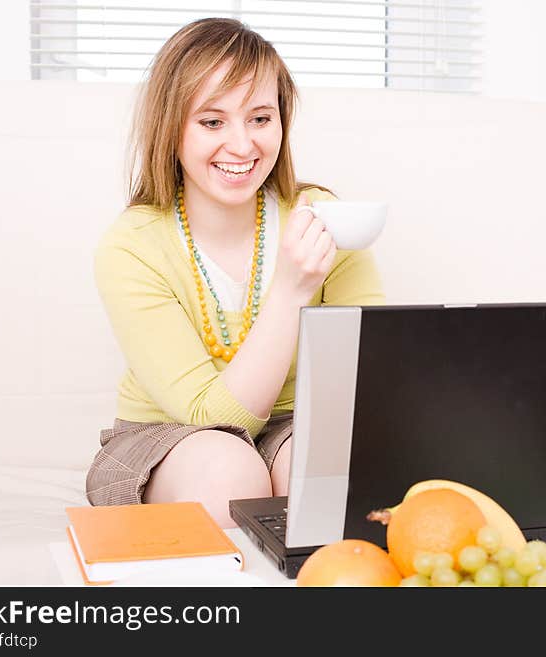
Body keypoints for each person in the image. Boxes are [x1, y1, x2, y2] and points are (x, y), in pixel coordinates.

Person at [86, 18, 385, 528]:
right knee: (230, 477)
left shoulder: (322, 217)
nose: (243, 146)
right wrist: (292, 290)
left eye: (261, 118)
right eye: (212, 122)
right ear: (170, 126)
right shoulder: (132, 246)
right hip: (168, 435)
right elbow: (218, 420)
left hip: (294, 424)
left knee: (326, 476)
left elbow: (372, 375)